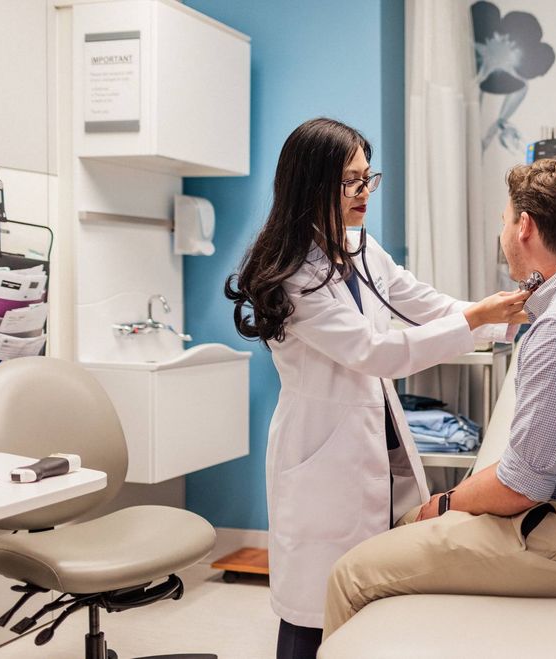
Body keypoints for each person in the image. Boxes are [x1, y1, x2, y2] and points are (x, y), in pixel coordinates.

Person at [322, 157, 556, 639]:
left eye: (505, 220)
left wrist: (442, 505)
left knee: (352, 573)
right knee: (407, 528)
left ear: (524, 227)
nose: (503, 231)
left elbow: (520, 486)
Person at [224, 117, 528, 659]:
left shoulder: (361, 246)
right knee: (312, 610)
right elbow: (376, 351)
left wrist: (504, 317)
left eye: (370, 177)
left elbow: (424, 302)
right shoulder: (292, 275)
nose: (365, 192)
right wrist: (480, 317)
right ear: (313, 184)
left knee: (370, 595)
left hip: (374, 441)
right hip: (321, 456)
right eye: (351, 181)